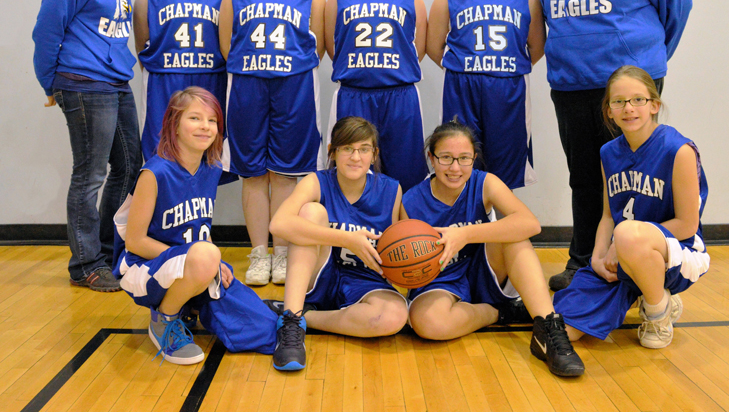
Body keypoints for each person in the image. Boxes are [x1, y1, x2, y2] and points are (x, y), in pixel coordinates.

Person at [539, 0, 692, 291]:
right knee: (585, 176)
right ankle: (583, 260)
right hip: (571, 85)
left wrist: (645, 67)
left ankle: (648, 263)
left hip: (627, 89)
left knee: (640, 176)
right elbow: (551, 16)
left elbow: (677, 6)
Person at [402, 119, 584, 376]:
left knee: (515, 233)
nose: (455, 167)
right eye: (446, 158)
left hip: (484, 270)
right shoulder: (411, 201)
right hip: (441, 280)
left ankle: (548, 329)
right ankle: (499, 312)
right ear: (432, 159)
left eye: (464, 158)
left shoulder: (484, 182)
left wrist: (464, 234)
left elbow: (530, 224)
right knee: (428, 323)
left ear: (474, 158)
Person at [112, 87, 277, 364]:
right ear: (174, 125)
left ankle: (190, 304)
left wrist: (212, 262)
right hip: (144, 268)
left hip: (192, 263)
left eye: (212, 121)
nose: (205, 126)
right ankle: (164, 319)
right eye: (195, 118)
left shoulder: (210, 169)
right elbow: (135, 242)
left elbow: (199, 228)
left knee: (266, 327)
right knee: (207, 256)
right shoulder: (155, 172)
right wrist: (202, 259)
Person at [553, 66, 709, 349]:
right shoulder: (608, 152)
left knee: (626, 235)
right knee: (567, 327)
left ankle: (658, 310)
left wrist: (621, 244)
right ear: (609, 110)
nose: (629, 108)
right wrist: (599, 258)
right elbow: (607, 216)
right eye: (619, 101)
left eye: (638, 99)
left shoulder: (678, 149)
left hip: (679, 252)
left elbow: (687, 224)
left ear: (654, 105)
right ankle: (645, 290)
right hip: (623, 253)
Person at [32, 0, 142, 292]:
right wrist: (50, 83)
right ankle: (85, 264)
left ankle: (110, 251)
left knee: (131, 167)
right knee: (90, 174)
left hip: (116, 81)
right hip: (83, 83)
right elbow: (46, 32)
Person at [219, 0, 326, 286]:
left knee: (285, 171)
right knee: (252, 171)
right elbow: (225, 41)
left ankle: (282, 252)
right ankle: (259, 254)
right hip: (248, 83)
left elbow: (321, 43)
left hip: (294, 84)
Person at [267, 116, 409, 371]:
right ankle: (291, 325)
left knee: (393, 317)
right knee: (310, 213)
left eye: (363, 149)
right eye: (347, 149)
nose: (355, 157)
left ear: (374, 155)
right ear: (333, 151)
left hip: (366, 281)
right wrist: (346, 239)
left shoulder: (391, 190)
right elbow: (278, 224)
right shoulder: (317, 181)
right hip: (322, 272)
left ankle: (301, 316)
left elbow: (406, 244)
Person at [427, 0, 545, 190]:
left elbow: (536, 47)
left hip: (508, 87)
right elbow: (434, 47)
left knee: (507, 160)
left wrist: (502, 66)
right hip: (462, 85)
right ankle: (466, 224)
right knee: (460, 156)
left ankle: (503, 228)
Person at [325, 0, 428, 192]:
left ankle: (406, 231)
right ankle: (353, 229)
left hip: (400, 94)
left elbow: (418, 47)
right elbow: (331, 43)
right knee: (351, 170)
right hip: (354, 93)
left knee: (405, 170)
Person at [133, 0, 230, 167]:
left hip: (210, 79)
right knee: (160, 153)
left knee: (207, 155)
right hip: (164, 81)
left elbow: (230, 43)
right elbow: (142, 43)